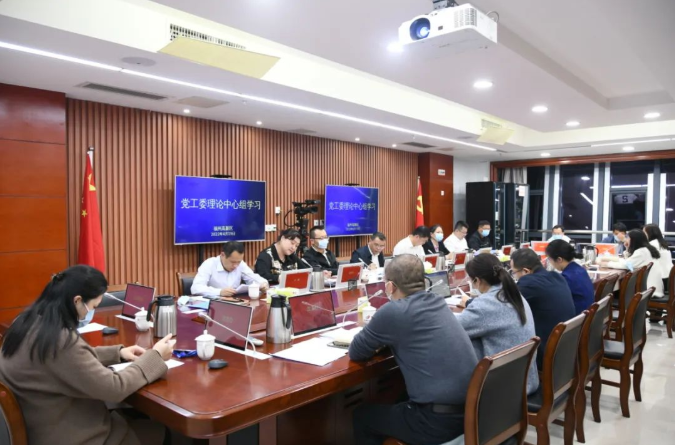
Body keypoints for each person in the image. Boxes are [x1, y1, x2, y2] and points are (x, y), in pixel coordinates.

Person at [0, 265, 175, 445]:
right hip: (71, 436)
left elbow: (67, 361)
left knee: (133, 417)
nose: (90, 312)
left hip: (42, 426)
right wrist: (155, 356)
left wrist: (118, 353)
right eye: (93, 306)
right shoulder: (60, 341)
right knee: (162, 431)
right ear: (77, 301)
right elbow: (114, 387)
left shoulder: (26, 322)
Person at [349, 255, 477, 445]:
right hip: (469, 413)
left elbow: (356, 352)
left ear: (390, 286)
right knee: (397, 398)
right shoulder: (437, 301)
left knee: (362, 416)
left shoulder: (394, 311)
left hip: (435, 423)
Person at [457, 254, 539, 395]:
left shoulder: (485, 305)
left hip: (505, 390)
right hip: (526, 380)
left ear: (477, 280)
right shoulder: (512, 293)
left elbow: (452, 330)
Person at [511, 248, 576, 369]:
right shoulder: (557, 276)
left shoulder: (529, 283)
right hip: (566, 347)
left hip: (546, 352)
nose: (514, 276)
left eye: (513, 272)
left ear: (525, 271)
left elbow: (503, 304)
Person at [599, 229, 664, 297]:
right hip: (650, 288)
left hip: (648, 291)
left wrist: (607, 264)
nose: (626, 240)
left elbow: (626, 265)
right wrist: (627, 247)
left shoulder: (641, 252)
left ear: (633, 240)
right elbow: (628, 261)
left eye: (628, 238)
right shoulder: (646, 249)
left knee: (611, 293)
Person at [192, 241, 269, 297]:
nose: (236, 266)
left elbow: (253, 277)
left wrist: (263, 284)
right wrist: (219, 292)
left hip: (235, 303)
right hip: (213, 306)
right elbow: (196, 288)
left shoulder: (240, 264)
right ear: (222, 255)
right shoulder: (209, 264)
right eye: (232, 262)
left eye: (238, 262)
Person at [546, 240, 596, 314]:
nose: (549, 262)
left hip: (577, 317)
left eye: (549, 259)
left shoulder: (567, 277)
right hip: (587, 315)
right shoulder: (580, 269)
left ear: (559, 259)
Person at [644, 224, 673, 298]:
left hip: (662, 278)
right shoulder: (661, 243)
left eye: (644, 233)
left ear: (650, 233)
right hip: (668, 276)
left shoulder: (652, 244)